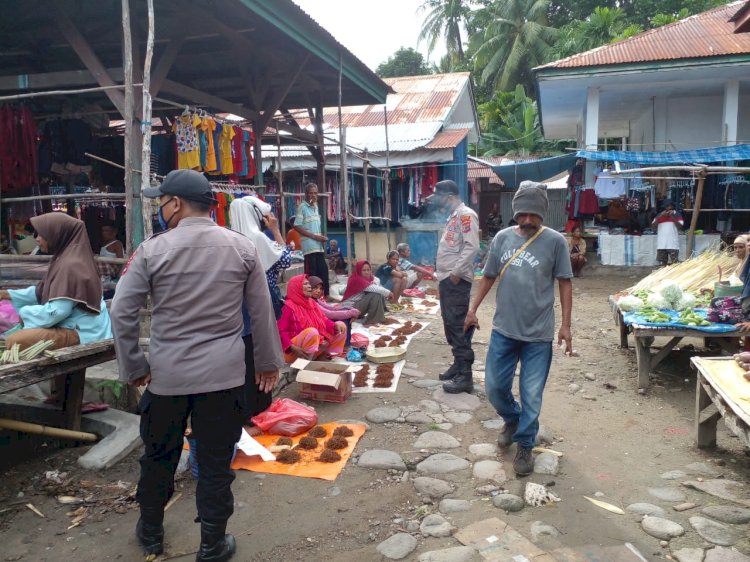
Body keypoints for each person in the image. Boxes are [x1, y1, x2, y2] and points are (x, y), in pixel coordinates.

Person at [110, 169, 283, 561]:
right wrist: (268, 363)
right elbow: (261, 311)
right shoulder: (241, 247)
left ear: (176, 203)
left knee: (158, 456)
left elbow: (122, 311)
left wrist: (134, 366)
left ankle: (151, 531)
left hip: (167, 377)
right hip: (223, 378)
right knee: (216, 459)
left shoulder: (152, 249)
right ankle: (212, 543)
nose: (161, 208)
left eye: (162, 201)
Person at [464, 181, 573, 476]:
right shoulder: (501, 239)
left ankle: (525, 443)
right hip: (504, 330)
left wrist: (565, 325)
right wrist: (472, 310)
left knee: (532, 393)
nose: (527, 220)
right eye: (522, 214)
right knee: (495, 388)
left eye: (533, 215)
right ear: (515, 212)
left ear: (543, 214)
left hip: (538, 335)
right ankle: (512, 419)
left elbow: (565, 281)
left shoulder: (555, 242)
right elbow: (487, 276)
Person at [0, 213, 112, 354]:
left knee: (15, 340)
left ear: (56, 235)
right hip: (77, 326)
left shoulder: (71, 264)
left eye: (41, 235)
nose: (38, 239)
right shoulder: (64, 258)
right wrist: (6, 294)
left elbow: (57, 311)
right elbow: (39, 292)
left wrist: (24, 313)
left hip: (83, 331)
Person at [230, 196, 292, 423]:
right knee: (262, 351)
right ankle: (259, 409)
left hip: (240, 304)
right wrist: (275, 229)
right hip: (265, 299)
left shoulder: (232, 238)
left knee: (246, 355)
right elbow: (286, 259)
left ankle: (246, 410)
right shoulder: (257, 237)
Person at [429, 179, 479, 394]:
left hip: (456, 281)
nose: (436, 201)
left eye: (438, 197)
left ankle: (465, 375)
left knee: (458, 324)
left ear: (448, 196)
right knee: (450, 323)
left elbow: (471, 247)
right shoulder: (453, 216)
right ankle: (458, 364)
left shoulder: (466, 215)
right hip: (447, 280)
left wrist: (456, 274)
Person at [277, 275, 347, 362]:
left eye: (309, 284)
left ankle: (327, 357)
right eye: (305, 284)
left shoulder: (312, 303)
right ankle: (304, 364)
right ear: (296, 287)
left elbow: (324, 320)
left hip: (314, 345)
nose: (309, 286)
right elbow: (280, 331)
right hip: (293, 352)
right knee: (312, 332)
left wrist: (334, 325)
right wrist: (292, 347)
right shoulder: (287, 306)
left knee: (341, 326)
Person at [294, 182, 329, 296]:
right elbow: (297, 225)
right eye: (311, 193)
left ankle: (323, 295)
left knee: (323, 271)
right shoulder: (302, 207)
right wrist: (315, 237)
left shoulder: (316, 206)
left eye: (315, 193)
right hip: (309, 247)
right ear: (306, 194)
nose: (313, 195)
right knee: (312, 273)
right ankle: (312, 297)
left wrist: (320, 238)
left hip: (318, 246)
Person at [308, 275, 358, 347]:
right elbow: (330, 314)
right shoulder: (311, 301)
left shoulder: (316, 300)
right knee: (344, 319)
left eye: (320, 288)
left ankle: (346, 344)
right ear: (309, 287)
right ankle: (344, 345)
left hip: (323, 321)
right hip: (318, 325)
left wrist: (349, 309)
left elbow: (331, 308)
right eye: (315, 288)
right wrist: (350, 313)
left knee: (346, 313)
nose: (318, 291)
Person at [341, 260, 392, 325]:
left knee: (378, 293)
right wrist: (389, 293)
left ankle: (378, 317)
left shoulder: (369, 279)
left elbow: (377, 285)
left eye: (368, 270)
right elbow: (372, 288)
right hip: (350, 308)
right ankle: (372, 321)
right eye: (364, 270)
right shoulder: (356, 279)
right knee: (375, 295)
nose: (367, 272)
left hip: (357, 306)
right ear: (359, 270)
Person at [652, 198, 683, 266]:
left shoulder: (677, 214)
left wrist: (672, 217)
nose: (668, 207)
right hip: (662, 245)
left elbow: (680, 227)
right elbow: (653, 226)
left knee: (675, 264)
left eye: (670, 206)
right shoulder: (659, 215)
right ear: (664, 207)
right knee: (662, 265)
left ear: (673, 206)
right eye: (667, 206)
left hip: (673, 244)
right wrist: (660, 216)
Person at [100, 223, 125, 299]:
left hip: (111, 269)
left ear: (114, 232)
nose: (104, 233)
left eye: (107, 231)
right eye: (103, 231)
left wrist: (119, 276)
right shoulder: (104, 243)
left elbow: (121, 260)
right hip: (104, 273)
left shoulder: (117, 244)